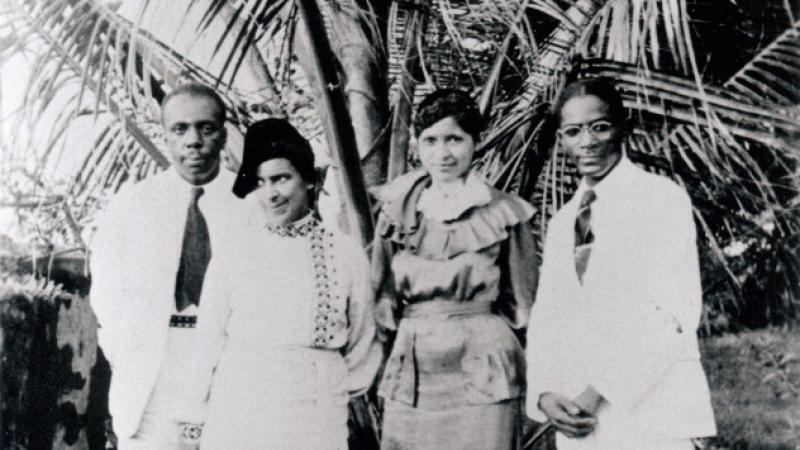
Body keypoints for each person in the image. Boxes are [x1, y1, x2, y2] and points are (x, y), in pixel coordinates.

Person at [525, 77, 717, 449]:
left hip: (654, 410)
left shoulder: (661, 199)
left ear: (621, 126)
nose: (587, 142)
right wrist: (546, 392)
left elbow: (675, 314)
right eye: (573, 131)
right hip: (578, 420)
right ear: (561, 139)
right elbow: (548, 314)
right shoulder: (564, 221)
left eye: (599, 127)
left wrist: (599, 391)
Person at [177, 118, 382, 449]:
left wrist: (331, 385)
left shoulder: (344, 252)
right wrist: (191, 421)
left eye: (281, 179)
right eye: (260, 183)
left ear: (309, 181)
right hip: (243, 405)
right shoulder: (235, 252)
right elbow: (208, 340)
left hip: (316, 410)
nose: (270, 194)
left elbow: (362, 338)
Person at [372, 89, 538, 450]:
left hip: (484, 366)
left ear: (475, 143)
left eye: (454, 139)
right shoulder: (395, 211)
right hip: (414, 366)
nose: (442, 153)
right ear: (417, 145)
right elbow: (381, 295)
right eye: (430, 140)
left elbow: (523, 302)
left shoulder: (506, 212)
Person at [89, 83, 252, 449]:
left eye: (205, 128)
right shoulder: (133, 205)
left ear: (223, 135)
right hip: (150, 370)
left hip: (227, 369)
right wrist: (133, 352)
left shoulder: (251, 208)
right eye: (180, 129)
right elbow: (107, 298)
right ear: (166, 135)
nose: (193, 140)